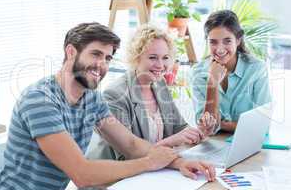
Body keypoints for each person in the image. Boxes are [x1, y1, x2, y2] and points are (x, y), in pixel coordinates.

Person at [0, 22, 216, 190]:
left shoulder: (91, 98)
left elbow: (129, 143)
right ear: (71, 52)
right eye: (95, 54)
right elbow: (81, 173)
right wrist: (150, 162)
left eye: (108, 58)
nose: (102, 65)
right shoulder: (40, 100)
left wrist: (178, 163)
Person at [86, 24, 218, 161]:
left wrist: (200, 131)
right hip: (117, 177)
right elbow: (128, 154)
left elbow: (180, 128)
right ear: (136, 58)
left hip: (152, 171)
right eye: (153, 57)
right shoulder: (114, 95)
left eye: (165, 57)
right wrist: (170, 142)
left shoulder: (159, 84)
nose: (160, 65)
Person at [191, 10, 271, 132]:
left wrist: (220, 125)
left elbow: (263, 124)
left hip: (247, 142)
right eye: (213, 42)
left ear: (238, 40)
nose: (219, 49)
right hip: (212, 144)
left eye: (227, 41)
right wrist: (212, 83)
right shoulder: (198, 72)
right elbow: (206, 128)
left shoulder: (256, 69)